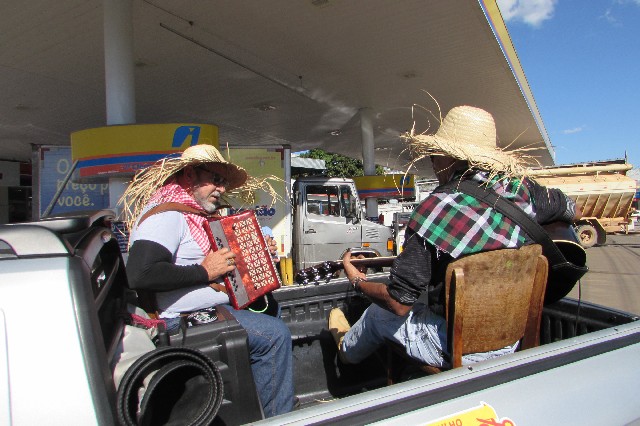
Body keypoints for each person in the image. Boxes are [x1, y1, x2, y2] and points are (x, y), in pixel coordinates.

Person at [329, 105, 580, 368]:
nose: (432, 163)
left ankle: (344, 358)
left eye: (434, 156)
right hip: (515, 340)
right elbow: (574, 208)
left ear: (448, 159)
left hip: (458, 349)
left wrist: (357, 280)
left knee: (376, 315)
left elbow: (398, 303)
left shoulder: (433, 210)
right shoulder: (526, 190)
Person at [120, 144, 294, 417]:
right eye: (216, 179)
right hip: (178, 320)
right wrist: (204, 273)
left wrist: (260, 248)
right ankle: (277, 419)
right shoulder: (167, 215)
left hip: (209, 309)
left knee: (273, 308)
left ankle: (263, 403)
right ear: (190, 175)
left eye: (224, 182)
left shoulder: (195, 215)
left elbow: (220, 259)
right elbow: (140, 273)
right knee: (274, 335)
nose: (222, 189)